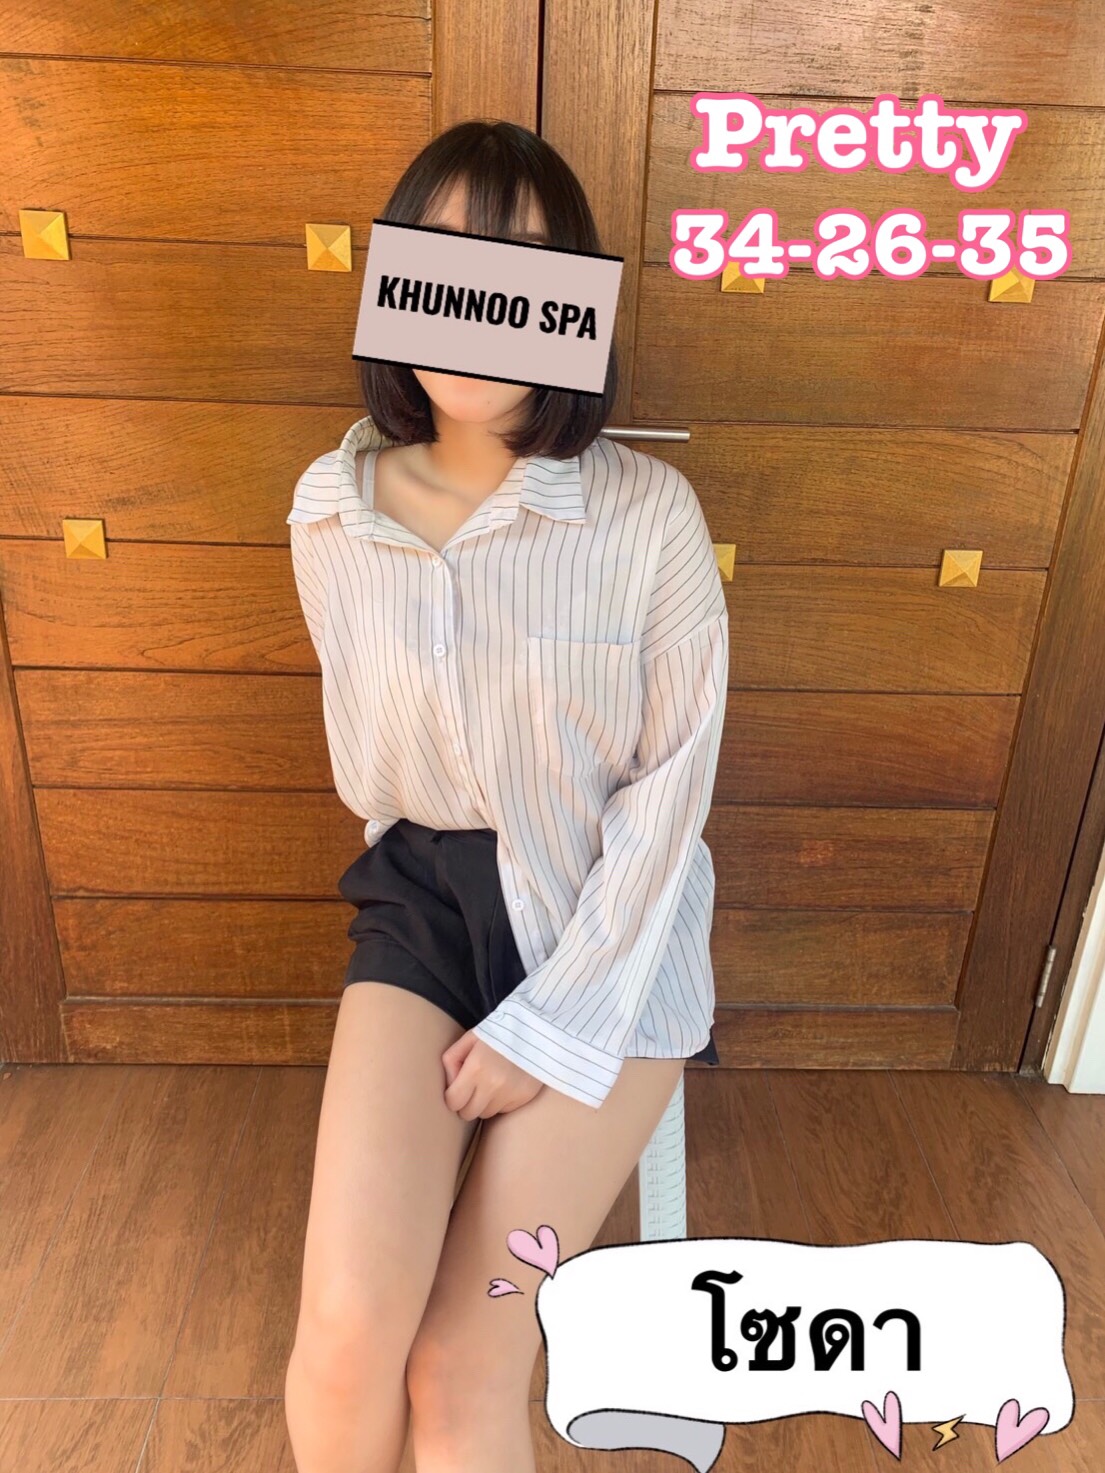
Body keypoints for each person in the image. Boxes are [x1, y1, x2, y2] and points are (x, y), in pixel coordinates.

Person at [282, 119, 729, 1473]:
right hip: (423, 902)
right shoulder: (330, 512)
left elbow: (669, 796)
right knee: (346, 1331)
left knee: (463, 1359)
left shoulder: (648, 516)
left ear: (573, 301)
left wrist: (557, 1022)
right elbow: (371, 769)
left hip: (614, 930)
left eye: (521, 266)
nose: (481, 302)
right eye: (446, 260)